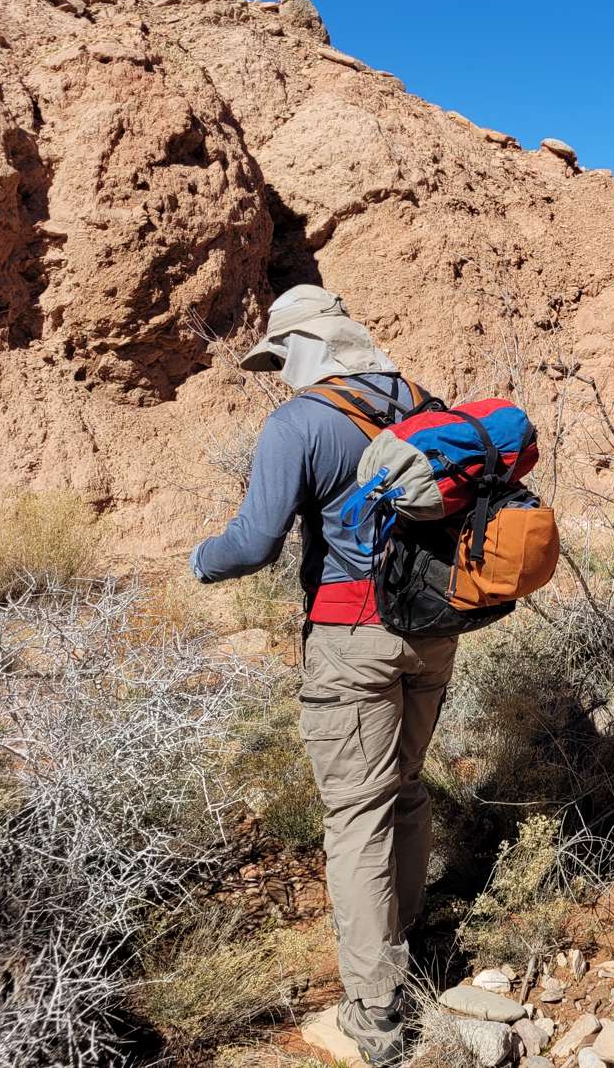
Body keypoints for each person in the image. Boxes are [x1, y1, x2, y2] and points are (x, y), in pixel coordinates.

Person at [191, 285, 450, 1065]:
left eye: (280, 356)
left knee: (357, 815)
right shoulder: (421, 401)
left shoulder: (299, 421)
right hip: (435, 633)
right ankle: (407, 946)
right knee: (404, 786)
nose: (278, 373)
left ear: (306, 345)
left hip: (351, 638)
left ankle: (375, 1008)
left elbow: (253, 542)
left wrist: (201, 559)